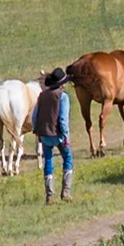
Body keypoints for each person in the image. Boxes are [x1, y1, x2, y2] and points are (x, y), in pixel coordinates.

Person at [32, 66, 73, 204]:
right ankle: (66, 192)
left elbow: (34, 117)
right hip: (59, 135)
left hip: (44, 134)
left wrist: (37, 132)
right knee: (67, 158)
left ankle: (50, 195)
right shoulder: (63, 97)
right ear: (62, 84)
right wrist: (66, 136)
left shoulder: (42, 95)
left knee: (48, 162)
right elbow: (63, 119)